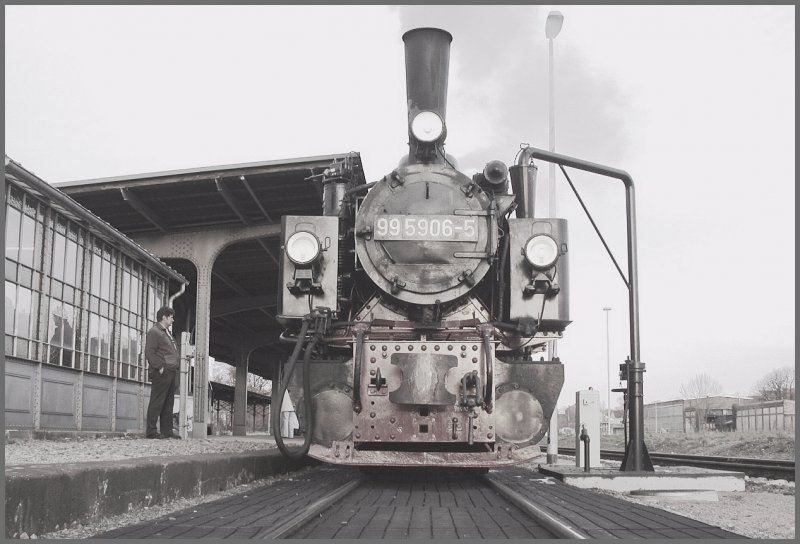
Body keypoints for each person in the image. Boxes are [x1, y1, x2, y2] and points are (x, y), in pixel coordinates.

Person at [145, 306, 180, 439]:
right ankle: (151, 431)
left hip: (170, 371)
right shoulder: (154, 332)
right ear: (164, 317)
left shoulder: (166, 333)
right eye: (171, 316)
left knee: (168, 403)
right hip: (162, 372)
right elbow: (149, 351)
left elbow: (167, 352)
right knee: (157, 401)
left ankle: (167, 432)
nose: (173, 319)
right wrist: (160, 367)